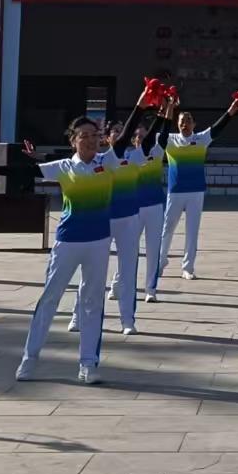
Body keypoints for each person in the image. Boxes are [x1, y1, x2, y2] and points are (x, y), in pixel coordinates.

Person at [14, 94, 150, 383]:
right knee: (50, 297)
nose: (90, 140)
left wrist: (141, 104)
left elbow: (125, 135)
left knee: (92, 301)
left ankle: (88, 364)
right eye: (83, 136)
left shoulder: (108, 161)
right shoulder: (64, 166)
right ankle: (29, 358)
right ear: (73, 141)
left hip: (98, 242)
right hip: (68, 242)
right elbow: (24, 170)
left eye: (94, 135)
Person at [162, 94, 238, 281]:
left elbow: (218, 127)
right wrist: (169, 107)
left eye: (188, 120)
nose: (185, 124)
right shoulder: (169, 139)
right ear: (177, 123)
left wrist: (232, 110)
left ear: (194, 124)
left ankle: (187, 267)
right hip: (175, 192)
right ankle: (160, 262)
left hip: (195, 191)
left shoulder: (201, 139)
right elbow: (158, 128)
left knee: (192, 231)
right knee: (168, 228)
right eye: (182, 121)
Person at [87, 119, 144, 336]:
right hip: (102, 219)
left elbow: (156, 137)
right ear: (107, 137)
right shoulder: (99, 159)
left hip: (128, 220)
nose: (120, 135)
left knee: (128, 271)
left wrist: (163, 112)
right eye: (115, 132)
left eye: (123, 131)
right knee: (92, 272)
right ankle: (78, 315)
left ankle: (127, 320)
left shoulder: (135, 156)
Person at [136, 97, 173, 302]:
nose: (140, 139)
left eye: (144, 135)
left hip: (155, 207)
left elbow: (165, 130)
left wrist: (169, 107)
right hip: (133, 209)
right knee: (128, 250)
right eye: (137, 136)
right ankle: (117, 283)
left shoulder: (158, 151)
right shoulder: (128, 157)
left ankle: (150, 289)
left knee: (152, 249)